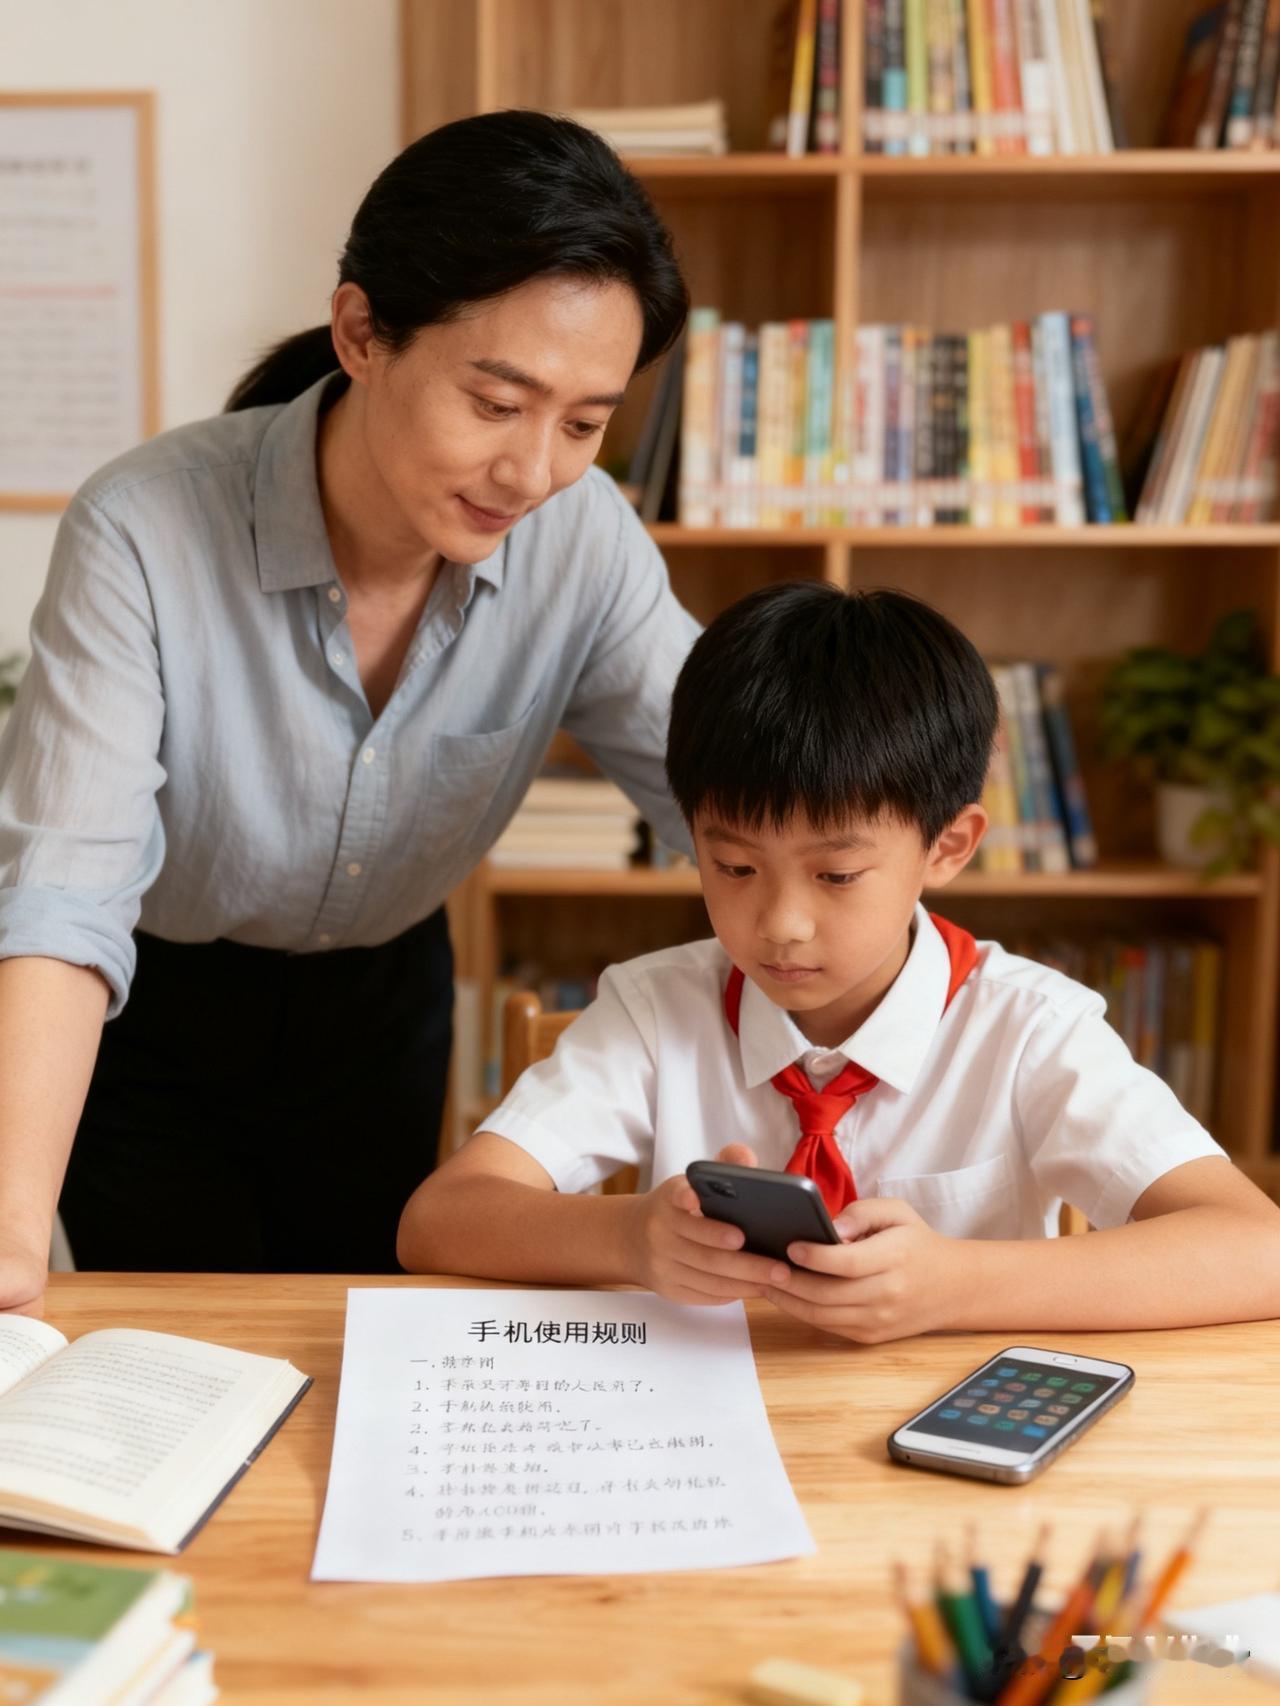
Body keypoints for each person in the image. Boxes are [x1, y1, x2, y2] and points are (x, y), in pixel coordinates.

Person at [0, 110, 698, 1309]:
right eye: (494, 403)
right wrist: (9, 1236)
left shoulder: (580, 543)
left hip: (382, 1007)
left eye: (582, 424)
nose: (531, 472)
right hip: (158, 1016)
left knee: (358, 1347)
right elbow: (65, 895)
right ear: (362, 331)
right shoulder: (144, 528)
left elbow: (728, 785)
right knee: (182, 1358)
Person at [399, 583, 1280, 1338]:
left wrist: (956, 1285)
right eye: (734, 866)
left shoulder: (1027, 1030)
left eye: (838, 874)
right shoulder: (654, 1010)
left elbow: (1258, 1251)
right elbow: (439, 1222)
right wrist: (629, 1239)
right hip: (702, 1431)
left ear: (949, 845)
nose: (781, 923)